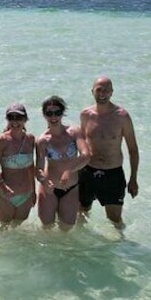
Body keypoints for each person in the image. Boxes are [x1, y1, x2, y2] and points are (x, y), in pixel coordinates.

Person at [78, 76, 140, 229]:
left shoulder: (122, 117)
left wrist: (133, 179)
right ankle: (80, 248)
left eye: (106, 90)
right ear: (92, 91)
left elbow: (133, 149)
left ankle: (120, 247)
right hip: (87, 172)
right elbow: (80, 145)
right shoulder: (86, 115)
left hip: (113, 174)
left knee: (114, 219)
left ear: (112, 92)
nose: (102, 93)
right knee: (82, 213)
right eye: (99, 89)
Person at [34, 96, 90, 231]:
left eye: (57, 112)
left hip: (70, 188)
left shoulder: (74, 132)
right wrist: (43, 181)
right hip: (49, 190)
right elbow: (39, 168)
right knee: (46, 228)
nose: (53, 117)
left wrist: (69, 170)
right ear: (44, 115)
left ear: (62, 113)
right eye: (49, 113)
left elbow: (86, 155)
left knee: (67, 229)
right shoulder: (42, 140)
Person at [0, 103, 36, 228]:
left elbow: (31, 167)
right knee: (3, 234)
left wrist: (34, 191)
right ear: (7, 120)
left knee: (18, 236)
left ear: (25, 119)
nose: (15, 122)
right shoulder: (1, 141)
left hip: (26, 196)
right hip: (6, 197)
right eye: (11, 118)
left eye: (19, 118)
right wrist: (2, 186)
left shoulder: (30, 139)